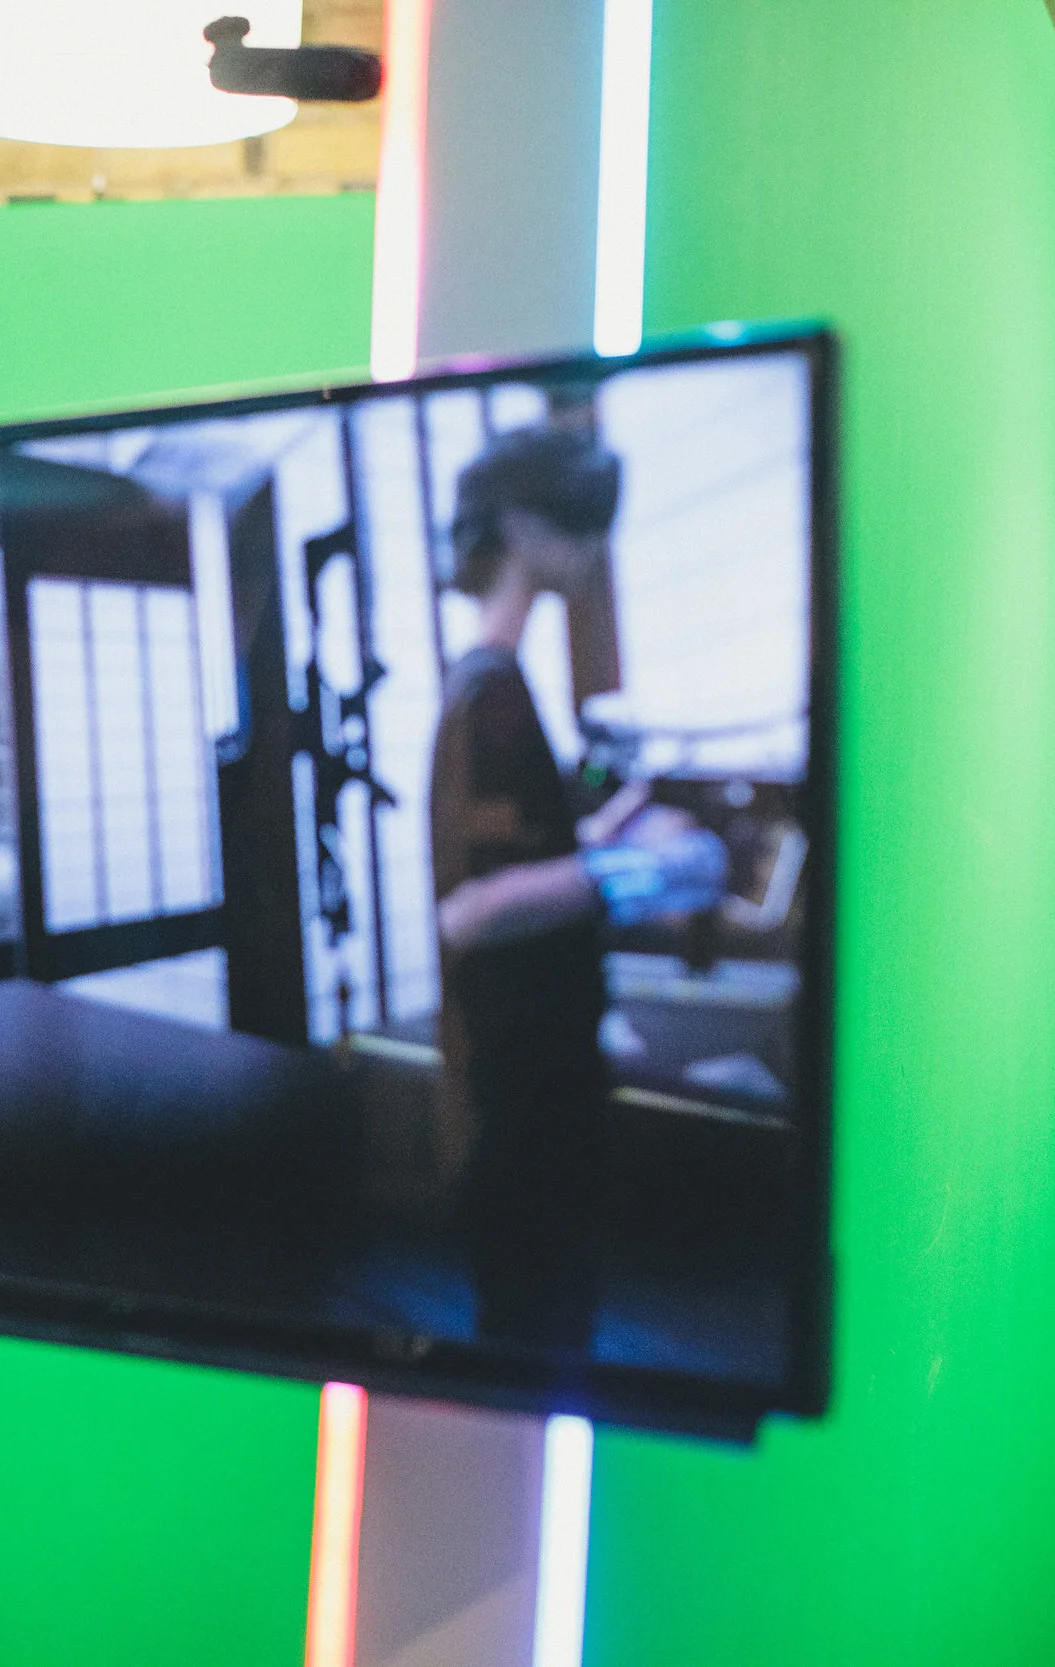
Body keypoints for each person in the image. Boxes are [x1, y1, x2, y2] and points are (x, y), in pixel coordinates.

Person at [428, 423, 716, 1355]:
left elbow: (518, 856)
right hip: (524, 1095)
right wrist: (649, 872)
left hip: (531, 1082)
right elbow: (469, 909)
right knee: (539, 1341)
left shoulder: (492, 681)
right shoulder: (491, 691)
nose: (596, 545)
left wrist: (612, 824)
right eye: (584, 520)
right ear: (523, 524)